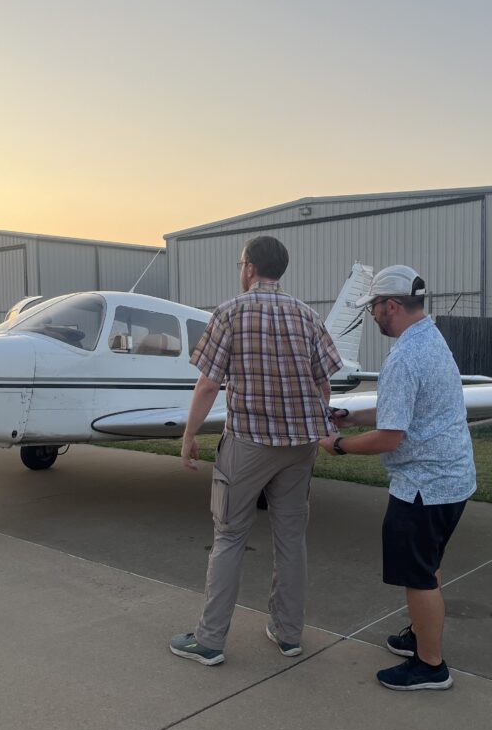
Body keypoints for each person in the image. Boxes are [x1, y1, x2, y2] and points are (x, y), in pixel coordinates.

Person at [170, 235, 342, 666]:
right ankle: (288, 635)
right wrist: (318, 424)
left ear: (249, 267)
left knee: (229, 536)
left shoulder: (229, 313)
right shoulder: (307, 315)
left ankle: (209, 641)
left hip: (248, 442)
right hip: (300, 445)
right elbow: (325, 382)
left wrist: (190, 434)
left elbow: (209, 383)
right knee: (291, 538)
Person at [321, 265, 475, 691]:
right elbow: (399, 410)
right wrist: (349, 415)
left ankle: (430, 666)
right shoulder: (430, 338)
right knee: (428, 567)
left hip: (424, 487)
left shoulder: (405, 356)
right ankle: (420, 638)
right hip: (450, 480)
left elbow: (390, 436)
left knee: (417, 576)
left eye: (373, 307)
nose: (371, 315)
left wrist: (336, 445)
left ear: (391, 305)